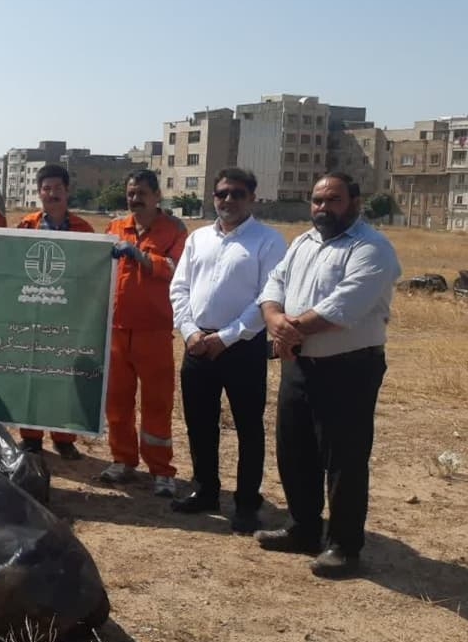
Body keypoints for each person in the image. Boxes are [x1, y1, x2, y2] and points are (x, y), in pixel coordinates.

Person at [254, 172, 400, 577]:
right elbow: (274, 284)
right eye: (317, 200)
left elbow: (344, 306)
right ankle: (303, 529)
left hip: (348, 369)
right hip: (299, 365)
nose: (323, 208)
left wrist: (288, 330)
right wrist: (275, 319)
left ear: (355, 202)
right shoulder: (304, 242)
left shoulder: (371, 248)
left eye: (333, 200)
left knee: (344, 459)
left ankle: (344, 546)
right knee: (295, 450)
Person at [168, 168, 287, 532]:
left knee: (248, 428)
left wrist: (228, 337)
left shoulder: (269, 241)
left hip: (243, 348)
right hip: (197, 346)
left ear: (252, 198)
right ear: (213, 196)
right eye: (222, 193)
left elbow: (268, 296)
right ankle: (205, 489)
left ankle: (247, 503)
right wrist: (190, 331)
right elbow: (179, 288)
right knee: (199, 423)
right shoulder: (198, 238)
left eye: (237, 194)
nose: (228, 200)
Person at [101, 170, 188, 496]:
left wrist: (141, 256)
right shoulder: (115, 227)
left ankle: (161, 470)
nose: (134, 199)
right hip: (117, 330)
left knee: (157, 403)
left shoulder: (175, 230)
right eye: (130, 193)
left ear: (156, 196)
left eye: (141, 193)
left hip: (154, 330)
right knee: (117, 403)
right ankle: (123, 460)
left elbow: (177, 269)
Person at [16, 163, 95, 461]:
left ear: (67, 191)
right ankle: (31, 437)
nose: (52, 194)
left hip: (69, 314)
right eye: (46, 189)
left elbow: (93, 272)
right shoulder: (26, 226)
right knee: (32, 375)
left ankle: (64, 439)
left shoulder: (84, 229)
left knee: (65, 377)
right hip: (34, 312)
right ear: (39, 193)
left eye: (57, 188)